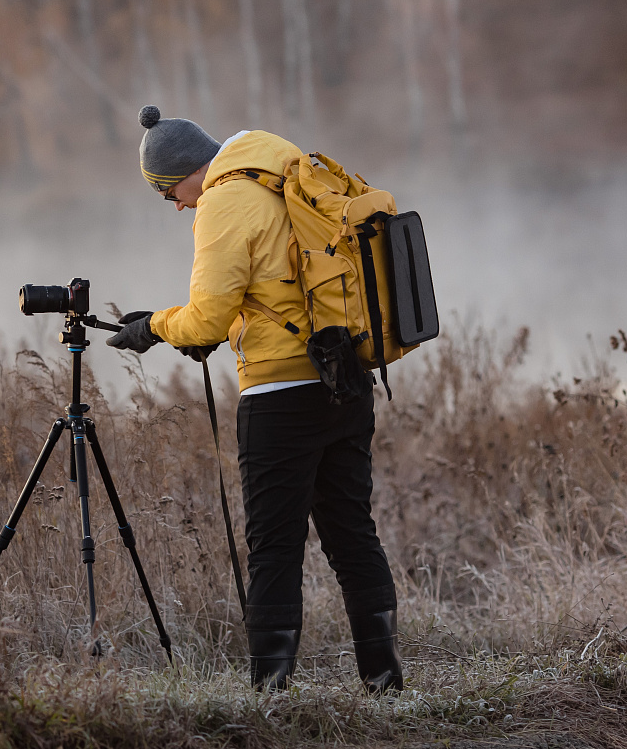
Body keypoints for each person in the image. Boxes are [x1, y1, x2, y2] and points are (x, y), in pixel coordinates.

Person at [106, 105, 404, 693]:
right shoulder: (285, 168)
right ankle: (385, 683)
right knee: (352, 533)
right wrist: (207, 325)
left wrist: (154, 327)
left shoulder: (224, 200)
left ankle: (269, 694)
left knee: (273, 544)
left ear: (191, 171)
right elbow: (274, 290)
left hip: (279, 395)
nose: (176, 205)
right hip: (343, 378)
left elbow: (206, 317)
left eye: (169, 191)